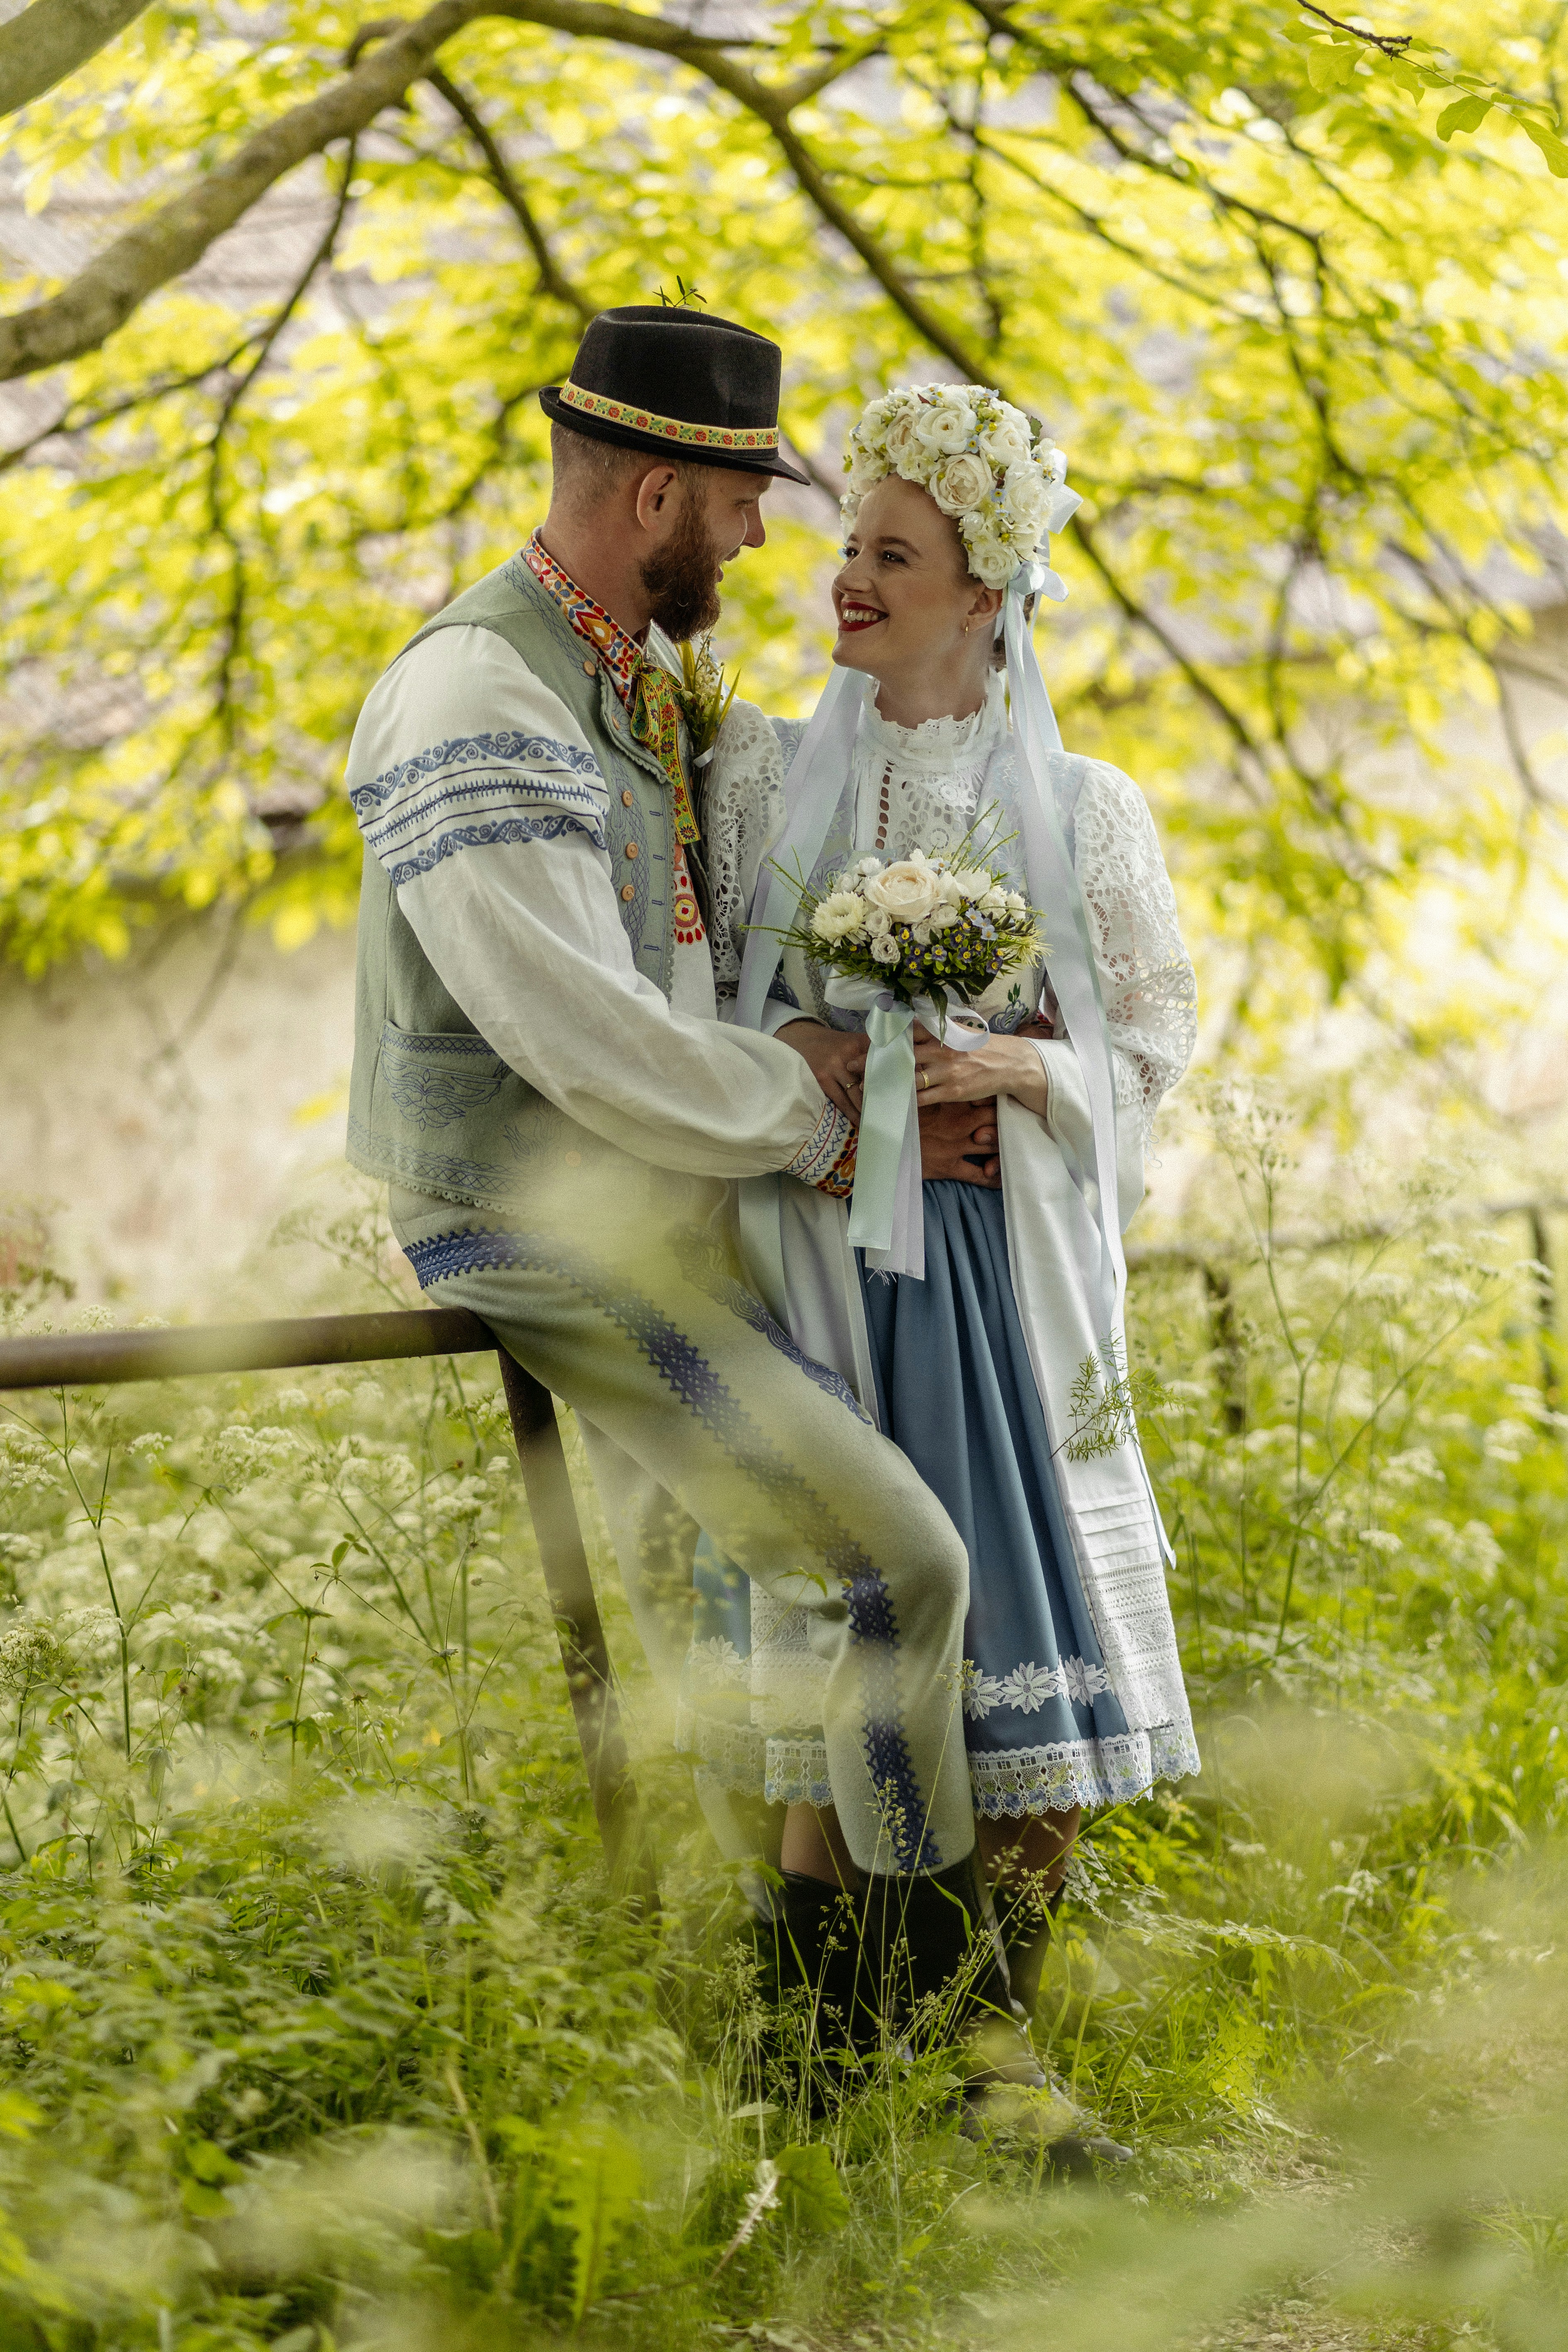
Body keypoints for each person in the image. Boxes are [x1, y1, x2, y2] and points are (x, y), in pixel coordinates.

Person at [342, 308, 1035, 2075]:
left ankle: (816, 2071)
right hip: (539, 1213)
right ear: (657, 489)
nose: (757, 542)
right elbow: (584, 1039)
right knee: (895, 1569)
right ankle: (903, 2066)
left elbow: (707, 949)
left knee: (766, 1622)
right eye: (739, 504)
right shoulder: (471, 694)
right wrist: (821, 1122)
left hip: (661, 1187)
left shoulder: (635, 677)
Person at [687, 383, 1200, 2021]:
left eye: (890, 555)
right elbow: (701, 1021)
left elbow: (1151, 1046)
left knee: (1022, 1641)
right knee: (843, 1647)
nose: (845, 578)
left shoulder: (1078, 808)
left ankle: (997, 2065)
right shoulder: (760, 784)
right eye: (845, 547)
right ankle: (818, 2067)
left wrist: (1016, 1078)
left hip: (996, 1281)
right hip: (822, 1272)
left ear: (986, 591)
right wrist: (825, 1064)